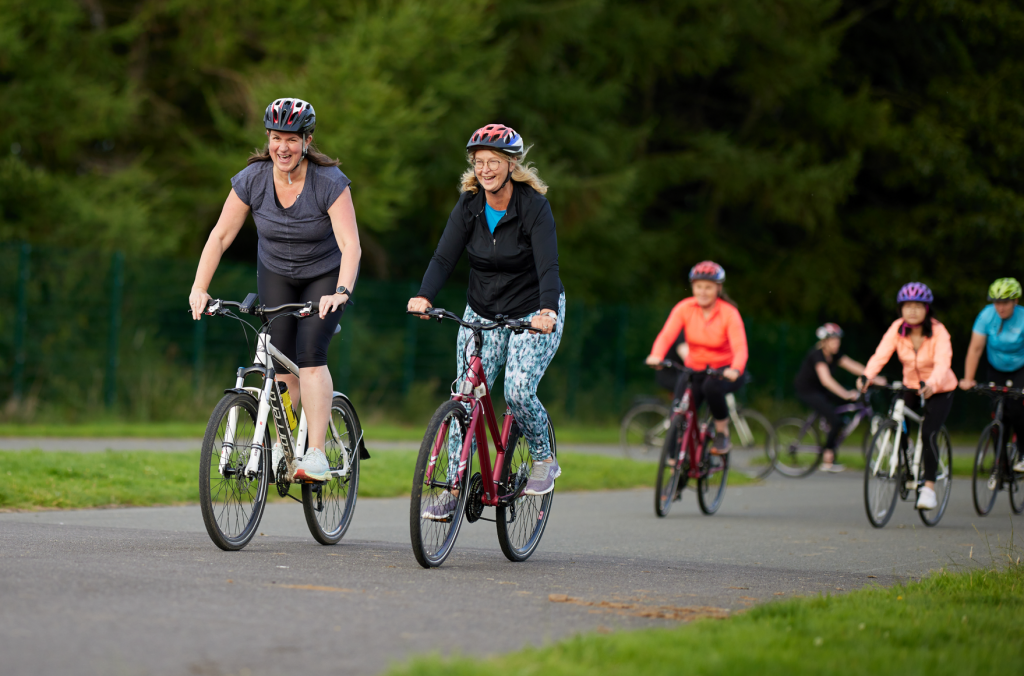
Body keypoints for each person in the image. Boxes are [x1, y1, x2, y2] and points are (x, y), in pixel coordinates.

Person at [189, 98, 361, 482]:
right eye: (274, 137)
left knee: (311, 356)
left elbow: (351, 246)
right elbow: (220, 236)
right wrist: (200, 287)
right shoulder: (252, 180)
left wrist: (342, 291)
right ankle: (286, 445)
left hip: (324, 276)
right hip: (276, 272)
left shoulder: (329, 183)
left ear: (307, 140)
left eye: (291, 139)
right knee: (280, 363)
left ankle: (316, 453)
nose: (282, 147)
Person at [407, 123, 565, 517]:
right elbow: (444, 257)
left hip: (533, 310)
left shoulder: (533, 206)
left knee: (517, 390)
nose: (486, 169)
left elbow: (549, 265)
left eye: (494, 162)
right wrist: (425, 295)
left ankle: (544, 459)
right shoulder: (469, 205)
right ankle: (454, 488)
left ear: (512, 164)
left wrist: (547, 310)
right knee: (464, 395)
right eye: (479, 162)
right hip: (482, 309)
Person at [860, 282, 957, 510]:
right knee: (898, 418)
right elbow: (880, 354)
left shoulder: (939, 332)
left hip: (940, 387)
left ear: (927, 309)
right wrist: (867, 376)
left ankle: (929, 488)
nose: (912, 310)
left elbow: (944, 363)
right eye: (907, 306)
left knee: (929, 432)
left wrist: (933, 383)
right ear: (900, 309)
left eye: (918, 306)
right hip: (911, 385)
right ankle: (907, 453)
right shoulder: (897, 329)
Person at [645, 261, 748, 454]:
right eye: (698, 286)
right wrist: (656, 355)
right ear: (692, 286)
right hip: (695, 369)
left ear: (718, 288)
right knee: (679, 407)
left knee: (712, 387)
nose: (702, 291)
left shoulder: (729, 313)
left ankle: (721, 433)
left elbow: (740, 347)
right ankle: (676, 458)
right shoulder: (684, 308)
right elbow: (667, 335)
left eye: (708, 287)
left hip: (723, 370)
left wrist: (735, 369)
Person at [792, 323, 883, 472]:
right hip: (808, 390)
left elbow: (854, 366)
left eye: (838, 340)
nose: (837, 343)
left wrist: (875, 378)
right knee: (835, 418)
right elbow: (826, 381)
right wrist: (845, 394)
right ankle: (828, 457)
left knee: (847, 406)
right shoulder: (817, 355)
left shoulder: (835, 355)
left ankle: (835, 428)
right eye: (833, 341)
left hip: (821, 390)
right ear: (824, 342)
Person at [960, 277, 1024, 473]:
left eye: (1005, 302)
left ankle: (1022, 453)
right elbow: (975, 349)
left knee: (1018, 409)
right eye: (996, 302)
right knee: (997, 412)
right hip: (996, 367)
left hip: (1020, 367)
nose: (1000, 307)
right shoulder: (987, 316)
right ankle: (1000, 463)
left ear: (1015, 301)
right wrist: (968, 379)